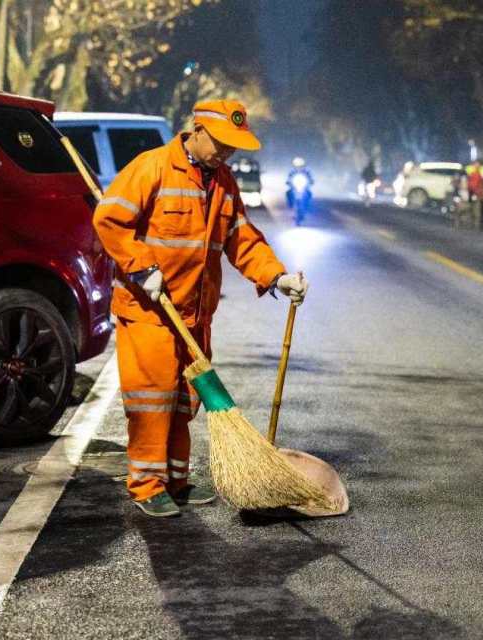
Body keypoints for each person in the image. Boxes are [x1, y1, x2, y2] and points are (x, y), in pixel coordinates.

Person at [93, 99, 309, 518]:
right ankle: (147, 485)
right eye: (222, 143)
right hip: (149, 311)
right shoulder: (152, 167)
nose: (227, 152)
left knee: (183, 401)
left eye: (235, 146)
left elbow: (242, 240)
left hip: (193, 313)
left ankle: (175, 481)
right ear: (197, 130)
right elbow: (109, 220)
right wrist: (140, 267)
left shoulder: (224, 183)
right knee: (152, 401)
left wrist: (275, 277)